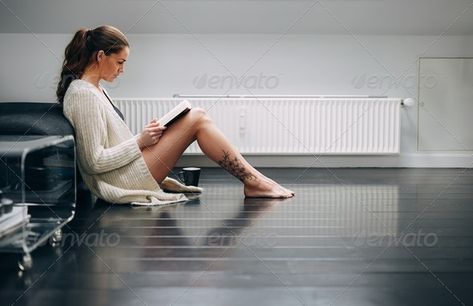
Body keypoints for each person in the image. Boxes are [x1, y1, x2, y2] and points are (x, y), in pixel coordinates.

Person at [57, 25, 294, 205]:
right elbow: (93, 161)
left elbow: (113, 141)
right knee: (198, 117)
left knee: (194, 115)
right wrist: (140, 140)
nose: (122, 70)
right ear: (100, 56)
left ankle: (254, 180)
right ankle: (254, 181)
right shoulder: (82, 94)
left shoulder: (97, 90)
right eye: (119, 62)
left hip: (127, 169)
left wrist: (150, 135)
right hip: (120, 181)